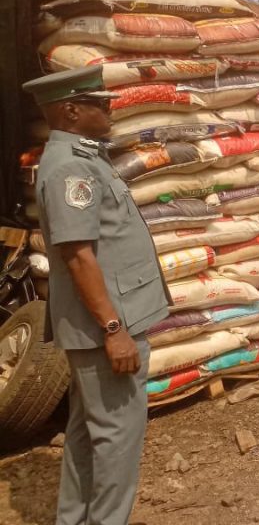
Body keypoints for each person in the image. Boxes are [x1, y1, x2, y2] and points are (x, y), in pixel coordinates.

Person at [23, 65, 171, 525]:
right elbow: (78, 257)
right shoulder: (72, 168)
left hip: (101, 324)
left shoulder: (83, 157)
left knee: (88, 433)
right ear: (71, 110)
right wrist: (114, 330)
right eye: (99, 102)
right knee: (117, 440)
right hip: (105, 326)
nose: (109, 107)